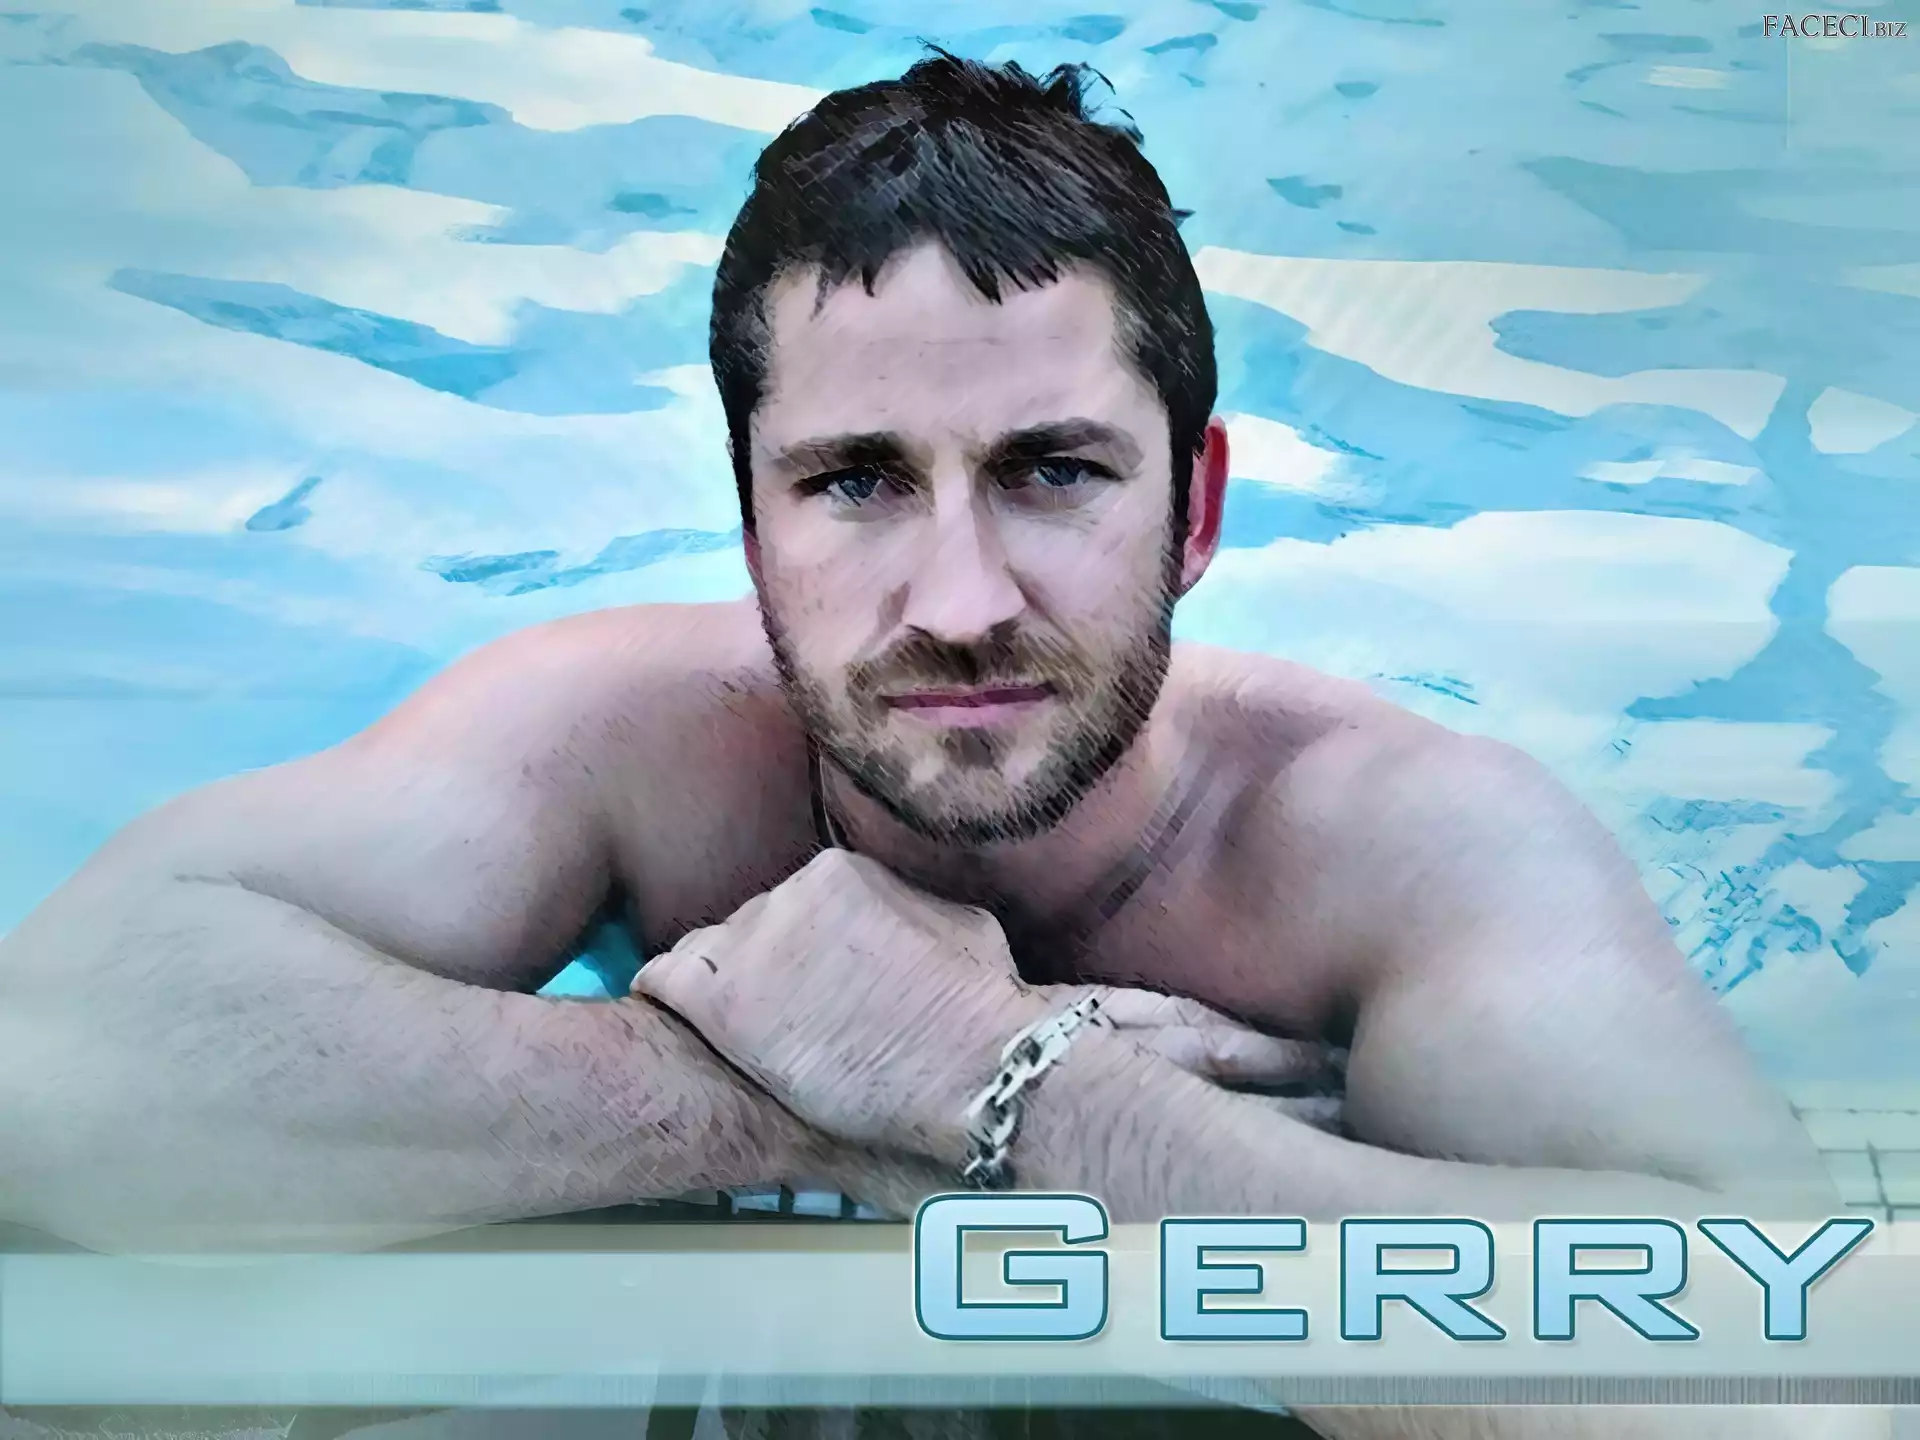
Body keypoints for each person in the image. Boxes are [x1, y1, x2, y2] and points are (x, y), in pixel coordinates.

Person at [0, 50, 1885, 1440]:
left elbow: (1804, 1395)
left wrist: (1006, 1082)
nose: (961, 598)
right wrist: (774, 1101)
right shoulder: (621, 739)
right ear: (750, 527)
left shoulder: (1395, 848)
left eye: (1053, 472)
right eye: (856, 483)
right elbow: (49, 1072)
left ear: (1197, 510)